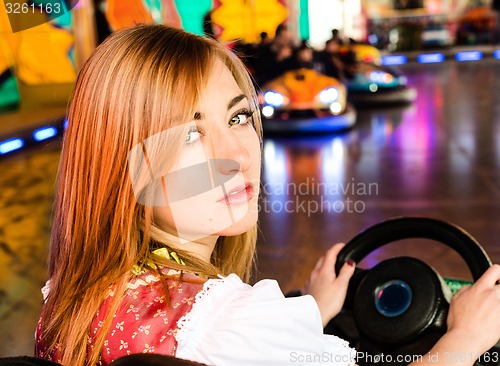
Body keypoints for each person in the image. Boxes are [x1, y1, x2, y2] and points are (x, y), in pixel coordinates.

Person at [34, 24, 500, 366]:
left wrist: (310, 314)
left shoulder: (71, 297)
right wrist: (464, 337)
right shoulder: (236, 322)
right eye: (190, 136)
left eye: (238, 118)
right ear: (122, 169)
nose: (237, 155)